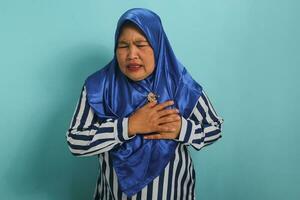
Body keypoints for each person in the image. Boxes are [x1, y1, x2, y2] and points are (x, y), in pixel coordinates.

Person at [66, 8, 224, 200]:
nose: (132, 54)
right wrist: (128, 126)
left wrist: (182, 129)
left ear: (158, 46)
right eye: (123, 45)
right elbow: (75, 141)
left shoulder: (180, 84)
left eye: (141, 44)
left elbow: (215, 128)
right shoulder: (99, 87)